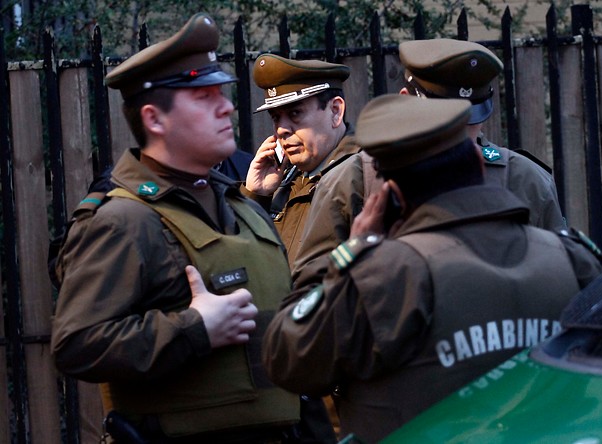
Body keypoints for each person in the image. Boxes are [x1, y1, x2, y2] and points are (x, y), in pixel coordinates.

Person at [262, 94, 602, 442]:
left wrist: (354, 253)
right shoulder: (572, 258)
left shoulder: (390, 275)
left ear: (390, 195)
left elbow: (286, 357)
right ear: (478, 162)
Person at [50, 13, 300, 443]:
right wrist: (194, 328)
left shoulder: (243, 204)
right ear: (155, 119)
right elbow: (77, 344)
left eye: (221, 93)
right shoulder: (124, 220)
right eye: (203, 97)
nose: (226, 106)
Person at [291, 38, 566, 284]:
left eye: (469, 119)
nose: (458, 132)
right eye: (442, 118)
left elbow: (561, 281)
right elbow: (308, 293)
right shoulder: (353, 179)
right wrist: (356, 252)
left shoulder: (524, 177)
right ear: (405, 101)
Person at [242, 54, 360, 268]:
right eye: (276, 117)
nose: (281, 129)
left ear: (335, 111)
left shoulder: (364, 176)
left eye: (295, 113)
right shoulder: (284, 180)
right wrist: (256, 197)